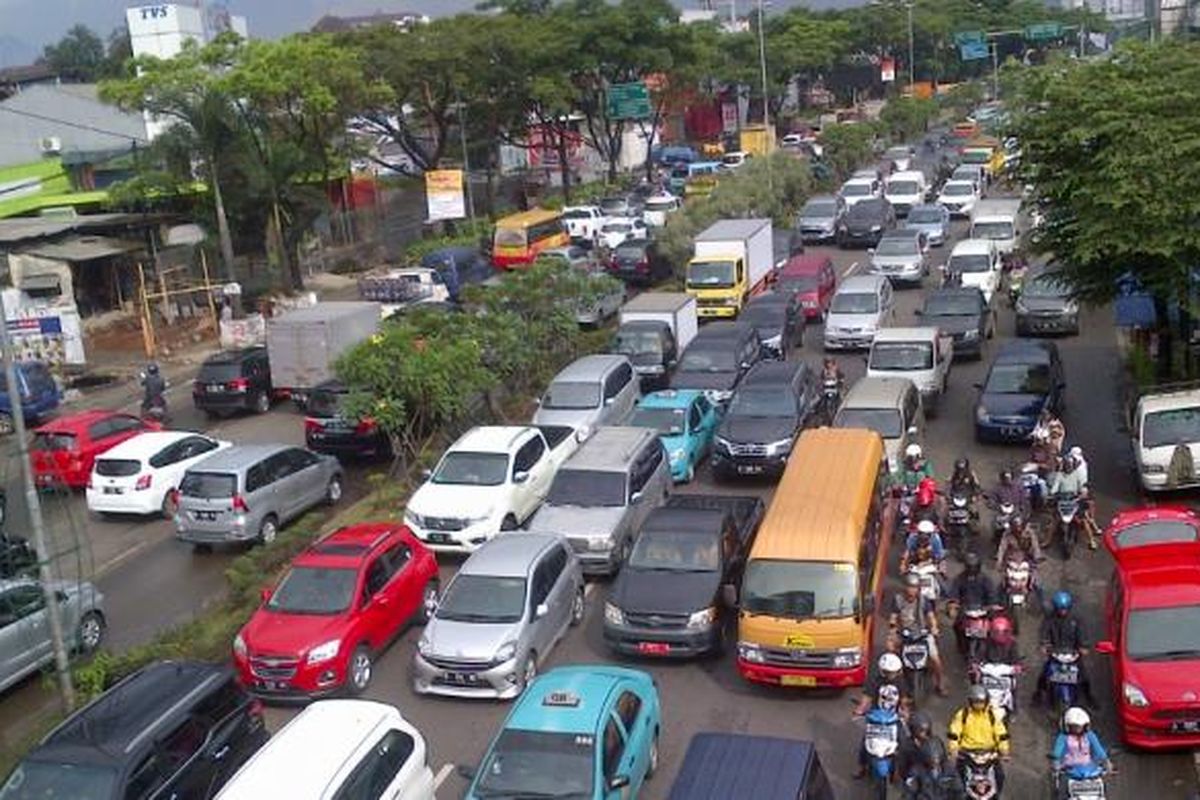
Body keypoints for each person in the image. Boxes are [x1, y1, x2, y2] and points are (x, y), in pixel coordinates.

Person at [888, 571, 948, 696]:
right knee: (892, 654)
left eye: (914, 587)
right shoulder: (897, 599)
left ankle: (940, 683)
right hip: (904, 633)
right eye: (910, 586)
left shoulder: (924, 601)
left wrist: (934, 627)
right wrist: (892, 629)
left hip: (922, 633)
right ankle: (893, 683)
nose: (912, 590)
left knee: (935, 659)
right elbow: (893, 617)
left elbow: (931, 617)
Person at [853, 652, 909, 779]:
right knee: (864, 744)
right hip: (875, 718)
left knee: (903, 742)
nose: (891, 674)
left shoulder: (901, 682)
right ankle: (862, 767)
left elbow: (904, 699)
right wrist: (860, 710)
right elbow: (867, 698)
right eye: (889, 672)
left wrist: (905, 712)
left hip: (894, 719)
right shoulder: (874, 680)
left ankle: (899, 771)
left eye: (894, 672)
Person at [947, 684, 1010, 794]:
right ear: (970, 701)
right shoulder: (963, 715)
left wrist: (1004, 750)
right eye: (976, 702)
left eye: (981, 702)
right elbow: (954, 732)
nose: (978, 705)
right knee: (957, 779)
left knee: (1000, 776)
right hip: (967, 753)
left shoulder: (992, 715)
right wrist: (953, 749)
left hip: (989, 753)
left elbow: (1001, 733)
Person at [1036, 591, 1095, 707]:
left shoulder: (1076, 619)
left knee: (1084, 677)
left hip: (1073, 654)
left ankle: (1089, 697)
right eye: (1060, 609)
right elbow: (1044, 631)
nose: (1062, 612)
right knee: (1044, 675)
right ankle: (1038, 695)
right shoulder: (1050, 618)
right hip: (1055, 653)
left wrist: (1084, 646)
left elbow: (1082, 633)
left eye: (1065, 609)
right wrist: (1044, 644)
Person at [946, 552, 998, 658]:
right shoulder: (959, 579)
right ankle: (961, 646)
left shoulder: (986, 580)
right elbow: (954, 594)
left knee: (995, 626)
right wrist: (953, 605)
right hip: (965, 610)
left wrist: (992, 605)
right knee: (956, 626)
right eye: (970, 567)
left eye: (973, 567)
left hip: (983, 610)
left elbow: (992, 595)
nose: (972, 570)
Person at [1051, 707, 1113, 789]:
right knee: (1062, 790)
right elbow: (1057, 752)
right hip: (1069, 771)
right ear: (1068, 725)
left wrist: (1107, 762)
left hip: (1089, 770)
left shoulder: (1090, 735)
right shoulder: (1063, 737)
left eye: (1080, 726)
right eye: (1075, 726)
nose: (1078, 729)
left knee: (1101, 788)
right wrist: (1056, 764)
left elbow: (1098, 749)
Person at [897, 711, 955, 796]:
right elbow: (902, 766)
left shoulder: (935, 741)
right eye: (921, 731)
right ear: (913, 730)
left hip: (933, 777)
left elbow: (943, 759)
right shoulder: (907, 745)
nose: (924, 734)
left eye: (926, 731)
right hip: (915, 777)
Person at [977, 614, 1023, 716]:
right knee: (977, 688)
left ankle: (1014, 708)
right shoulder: (986, 643)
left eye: (1003, 632)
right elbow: (979, 656)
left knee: (1013, 688)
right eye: (997, 632)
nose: (1000, 635)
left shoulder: (1012, 644)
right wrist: (975, 665)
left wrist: (1018, 667)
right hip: (989, 675)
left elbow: (1017, 659)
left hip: (1005, 676)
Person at [1049, 451, 1094, 549]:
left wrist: (1083, 492)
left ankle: (1091, 540)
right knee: (1055, 520)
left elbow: (1082, 485)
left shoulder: (1078, 474)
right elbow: (1055, 486)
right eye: (1067, 465)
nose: (1068, 466)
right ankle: (1047, 540)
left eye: (1070, 465)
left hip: (1075, 500)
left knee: (1083, 519)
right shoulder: (1060, 475)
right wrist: (1052, 493)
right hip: (1063, 500)